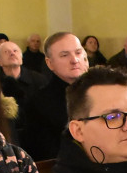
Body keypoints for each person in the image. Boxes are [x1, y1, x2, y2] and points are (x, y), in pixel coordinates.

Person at [19, 32, 88, 160]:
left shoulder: (100, 92)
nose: (74, 60)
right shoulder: (38, 102)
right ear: (50, 63)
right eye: (64, 55)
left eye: (78, 53)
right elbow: (42, 153)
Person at [0, 40, 46, 108]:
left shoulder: (38, 80)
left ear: (21, 59)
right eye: (6, 52)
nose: (12, 53)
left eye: (15, 51)